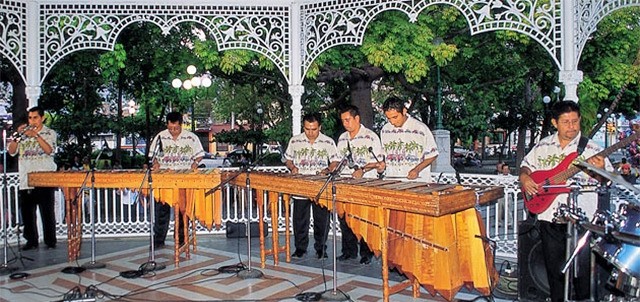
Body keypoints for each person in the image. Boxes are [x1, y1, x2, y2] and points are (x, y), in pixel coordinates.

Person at [519, 101, 612, 302]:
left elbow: (607, 181)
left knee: (582, 273)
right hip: (548, 216)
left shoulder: (591, 149)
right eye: (566, 122)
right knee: (554, 272)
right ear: (555, 122)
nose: (572, 127)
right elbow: (526, 166)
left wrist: (601, 170)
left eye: (575, 121)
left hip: (581, 220)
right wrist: (525, 178)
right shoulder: (543, 145)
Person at [284, 112, 339, 259]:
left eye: (314, 129)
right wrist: (292, 167)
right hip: (301, 184)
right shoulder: (295, 141)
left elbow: (335, 161)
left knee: (322, 219)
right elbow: (288, 159)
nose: (310, 132)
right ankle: (300, 248)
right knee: (300, 219)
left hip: (320, 185)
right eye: (307, 129)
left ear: (319, 127)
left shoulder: (328, 142)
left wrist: (327, 170)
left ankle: (321, 248)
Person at [335, 105, 385, 265]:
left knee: (364, 220)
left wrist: (362, 169)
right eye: (343, 121)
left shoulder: (371, 137)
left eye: (348, 120)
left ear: (357, 119)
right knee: (344, 219)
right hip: (346, 184)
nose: (345, 123)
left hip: (365, 184)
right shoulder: (342, 138)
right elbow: (339, 159)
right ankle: (348, 251)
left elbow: (379, 160)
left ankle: (367, 253)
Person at [150, 111, 205, 249]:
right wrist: (155, 163)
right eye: (170, 128)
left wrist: (195, 163)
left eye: (176, 128)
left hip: (183, 177)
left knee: (182, 211)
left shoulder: (191, 138)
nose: (173, 131)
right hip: (165, 177)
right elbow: (153, 155)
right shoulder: (160, 137)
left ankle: (181, 239)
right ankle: (158, 240)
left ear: (181, 125)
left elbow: (199, 155)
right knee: (161, 211)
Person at [8, 107, 58, 250]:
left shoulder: (49, 133)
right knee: (27, 212)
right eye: (30, 118)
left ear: (42, 118)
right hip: (26, 178)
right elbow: (11, 151)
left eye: (35, 118)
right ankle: (31, 240)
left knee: (47, 211)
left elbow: (49, 150)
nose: (32, 121)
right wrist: (18, 135)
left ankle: (50, 240)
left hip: (43, 177)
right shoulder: (22, 134)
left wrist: (36, 135)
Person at [380, 97, 438, 181]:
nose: (392, 122)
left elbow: (433, 154)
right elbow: (386, 156)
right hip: (393, 181)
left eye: (395, 117)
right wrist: (381, 164)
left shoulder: (420, 129)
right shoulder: (385, 130)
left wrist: (417, 169)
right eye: (389, 118)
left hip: (417, 182)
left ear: (404, 111)